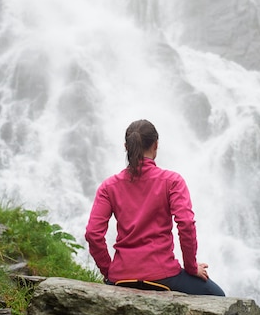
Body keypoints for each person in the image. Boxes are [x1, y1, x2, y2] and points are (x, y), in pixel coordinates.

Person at [85, 119, 225, 296]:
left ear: (126, 147)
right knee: (218, 297)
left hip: (121, 276)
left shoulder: (108, 186)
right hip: (164, 275)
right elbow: (186, 223)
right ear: (156, 145)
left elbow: (92, 233)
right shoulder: (172, 181)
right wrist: (190, 267)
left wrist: (109, 271)